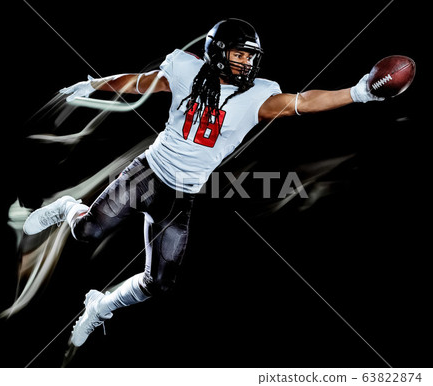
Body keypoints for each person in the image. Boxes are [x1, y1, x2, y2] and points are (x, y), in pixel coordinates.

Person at [22, 18, 383, 347]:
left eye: (250, 56)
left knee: (159, 284)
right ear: (218, 52)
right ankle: (67, 206)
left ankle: (100, 307)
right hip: (147, 173)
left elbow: (303, 102)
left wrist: (358, 92)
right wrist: (93, 84)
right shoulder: (186, 70)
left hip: (182, 194)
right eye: (240, 54)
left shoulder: (258, 96)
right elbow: (138, 83)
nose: (247, 63)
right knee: (86, 233)